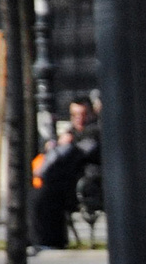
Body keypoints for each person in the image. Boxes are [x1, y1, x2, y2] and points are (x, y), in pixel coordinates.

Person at [30, 94, 99, 250]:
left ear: (91, 114)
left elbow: (82, 153)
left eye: (83, 114)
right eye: (75, 115)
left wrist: (67, 144)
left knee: (46, 194)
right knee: (36, 193)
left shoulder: (94, 132)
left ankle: (50, 241)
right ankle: (39, 239)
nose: (79, 119)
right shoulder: (71, 133)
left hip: (85, 185)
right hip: (65, 183)